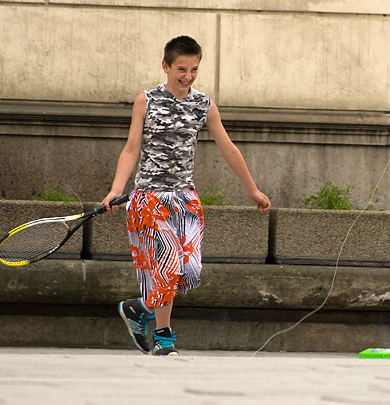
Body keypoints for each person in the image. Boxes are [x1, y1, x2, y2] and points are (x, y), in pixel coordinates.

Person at [102, 36, 271, 356]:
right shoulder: (146, 100)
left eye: (194, 69)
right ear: (165, 66)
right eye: (181, 69)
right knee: (166, 268)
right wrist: (116, 190)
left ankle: (139, 308)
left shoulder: (203, 105)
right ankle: (164, 340)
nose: (187, 76)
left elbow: (228, 148)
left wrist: (252, 189)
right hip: (150, 198)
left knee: (188, 271)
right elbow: (131, 148)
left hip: (186, 200)